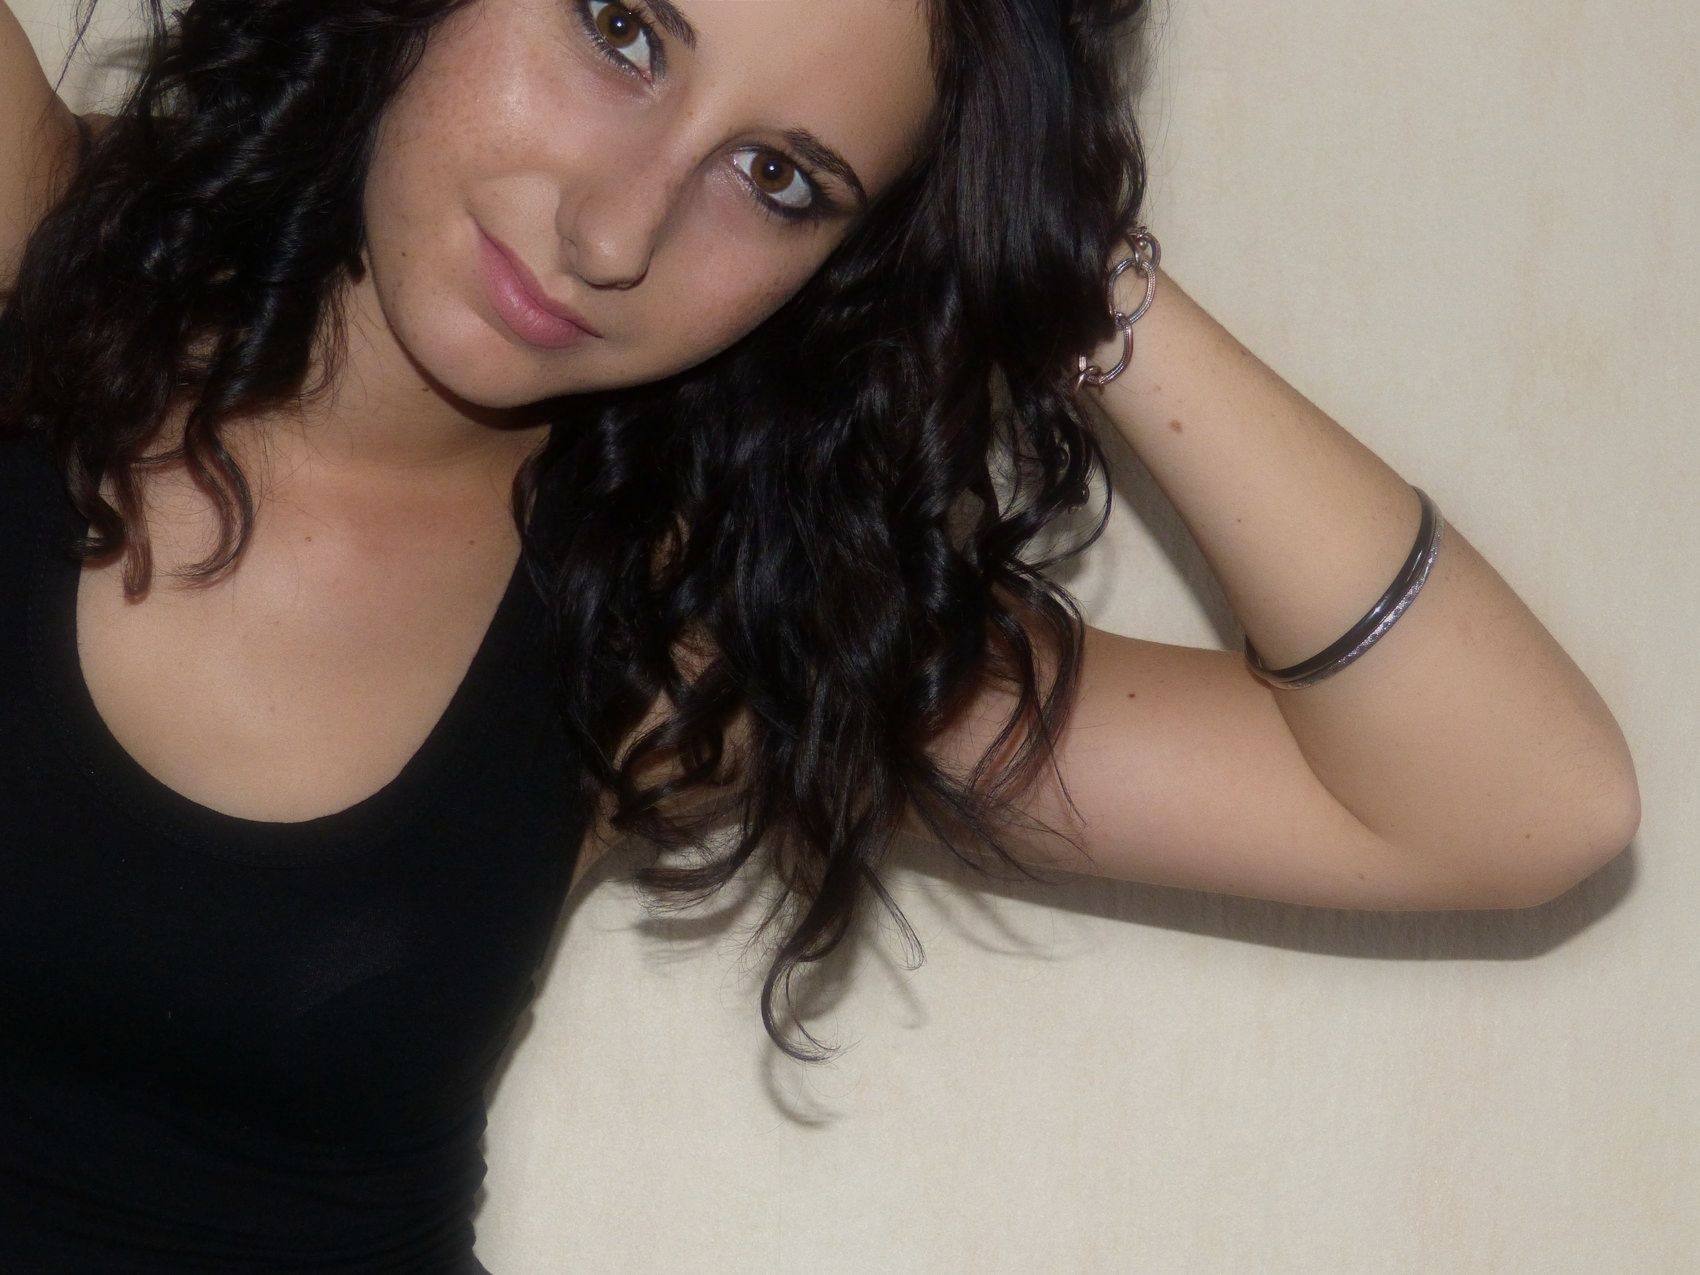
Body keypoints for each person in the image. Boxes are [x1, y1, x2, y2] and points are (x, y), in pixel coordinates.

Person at [0, 0, 1641, 1269]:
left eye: (780, 180)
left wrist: (1063, 266)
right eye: (622, 30)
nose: (615, 234)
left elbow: (1516, 807)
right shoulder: (30, 244)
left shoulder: (677, 633)